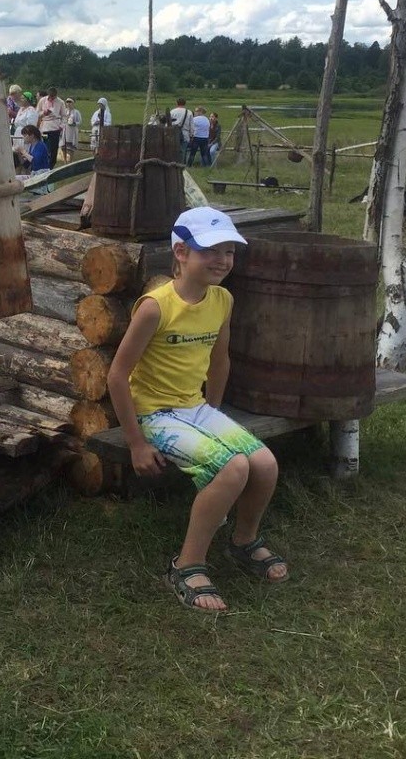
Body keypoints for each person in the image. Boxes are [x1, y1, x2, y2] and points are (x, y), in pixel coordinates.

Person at [106, 207, 288, 612]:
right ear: (181, 252)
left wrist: (213, 413)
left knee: (264, 463)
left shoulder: (222, 299)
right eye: (210, 251)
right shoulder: (156, 307)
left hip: (196, 407)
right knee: (233, 467)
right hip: (154, 415)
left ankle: (243, 540)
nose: (222, 260)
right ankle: (186, 564)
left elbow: (220, 361)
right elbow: (117, 376)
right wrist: (136, 444)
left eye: (229, 251)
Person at [36, 85, 65, 168]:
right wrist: (44, 113)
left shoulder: (60, 102)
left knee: (53, 149)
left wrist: (61, 125)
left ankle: (51, 165)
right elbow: (37, 113)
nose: (51, 98)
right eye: (50, 96)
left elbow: (64, 116)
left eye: (53, 97)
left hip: (55, 127)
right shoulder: (42, 100)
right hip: (45, 126)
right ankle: (44, 164)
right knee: (45, 147)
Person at [61, 96, 82, 163]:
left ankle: (70, 161)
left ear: (73, 103)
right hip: (65, 129)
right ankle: (65, 161)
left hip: (72, 131)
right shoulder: (64, 111)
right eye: (67, 102)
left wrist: (74, 123)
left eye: (70, 102)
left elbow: (80, 121)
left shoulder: (76, 112)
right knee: (64, 147)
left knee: (71, 148)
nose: (68, 103)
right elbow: (62, 119)